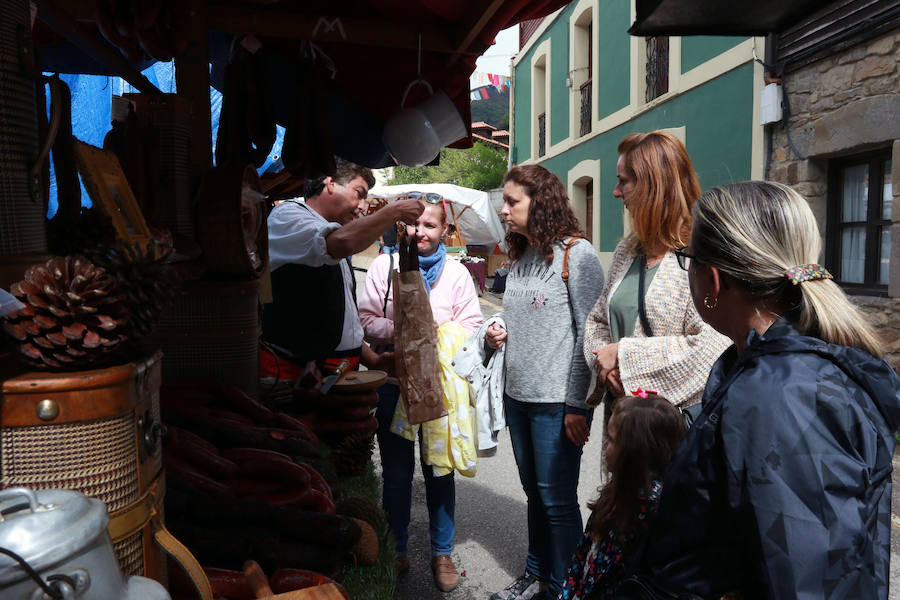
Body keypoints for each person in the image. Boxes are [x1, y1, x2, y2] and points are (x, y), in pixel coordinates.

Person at [634, 181, 900, 598]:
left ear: (713, 280)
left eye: (687, 259)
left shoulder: (781, 396)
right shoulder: (766, 366)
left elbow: (811, 582)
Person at [487, 165, 605, 600]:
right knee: (535, 496)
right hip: (518, 397)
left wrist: (580, 406)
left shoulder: (579, 255)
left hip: (557, 404)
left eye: (512, 201)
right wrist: (496, 327)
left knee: (557, 503)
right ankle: (536, 576)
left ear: (541, 203)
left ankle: (566, 588)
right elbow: (518, 315)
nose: (504, 210)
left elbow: (590, 336)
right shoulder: (519, 255)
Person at [358, 197, 483, 592]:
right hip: (394, 388)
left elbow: (472, 324)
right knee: (396, 475)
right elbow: (366, 320)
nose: (420, 233)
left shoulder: (458, 275)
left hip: (438, 391)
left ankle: (441, 552)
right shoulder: (385, 266)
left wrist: (437, 331)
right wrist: (405, 329)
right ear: (402, 227)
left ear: (444, 231)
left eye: (430, 226)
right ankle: (397, 548)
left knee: (438, 473)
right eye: (414, 225)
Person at [583, 131, 729, 427]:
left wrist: (623, 357)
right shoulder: (627, 251)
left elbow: (712, 348)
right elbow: (596, 321)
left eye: (623, 181)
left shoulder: (699, 254)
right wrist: (606, 367)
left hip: (673, 429)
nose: (615, 191)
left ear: (653, 185)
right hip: (622, 421)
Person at [261, 158, 423, 377]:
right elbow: (341, 243)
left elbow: (344, 320)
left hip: (338, 372)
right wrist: (393, 212)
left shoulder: (334, 237)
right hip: (298, 373)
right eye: (359, 193)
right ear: (330, 183)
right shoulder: (288, 216)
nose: (362, 206)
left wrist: (372, 360)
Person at [558, 391, 686, 600]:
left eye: (612, 438)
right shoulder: (618, 490)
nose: (604, 445)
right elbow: (583, 555)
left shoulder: (653, 513)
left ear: (636, 452)